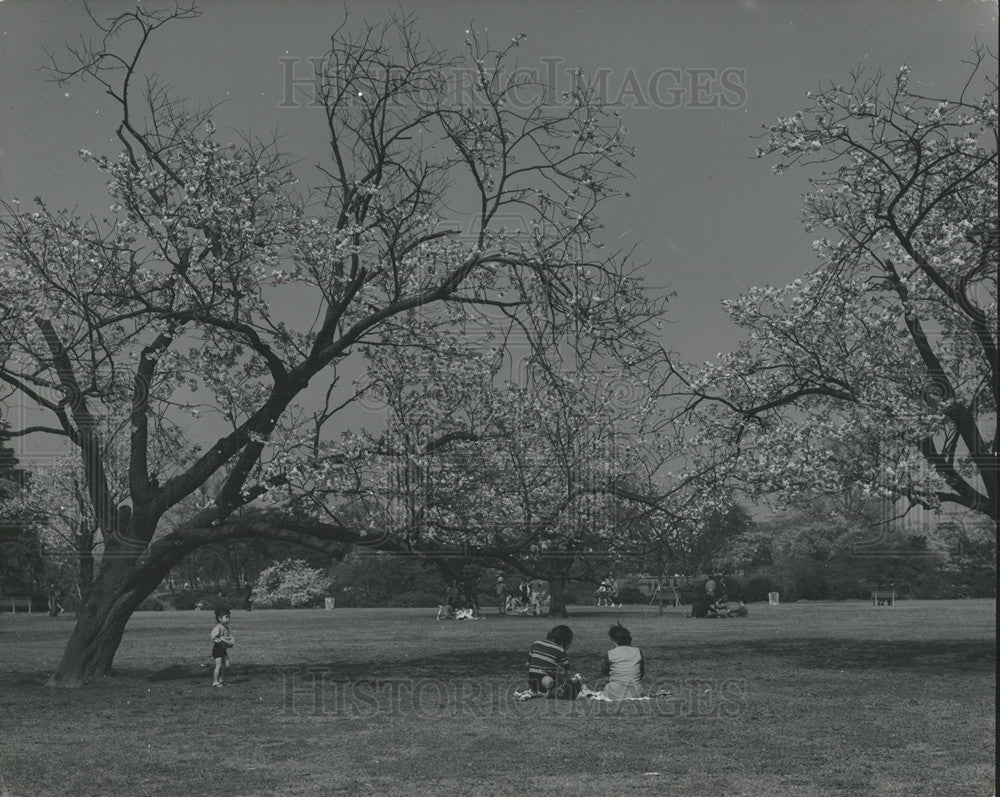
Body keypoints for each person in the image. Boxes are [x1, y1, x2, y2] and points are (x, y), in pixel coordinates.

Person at [527, 625, 581, 699]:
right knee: (562, 674)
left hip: (532, 680)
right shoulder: (560, 650)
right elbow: (568, 670)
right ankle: (553, 691)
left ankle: (537, 691)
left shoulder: (536, 643)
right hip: (546, 681)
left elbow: (527, 664)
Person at [597, 622, 644, 699]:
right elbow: (641, 673)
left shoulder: (611, 653)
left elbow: (604, 673)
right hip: (636, 693)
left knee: (606, 686)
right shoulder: (638, 651)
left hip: (614, 693)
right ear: (629, 639)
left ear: (613, 640)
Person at [210, 607, 234, 687]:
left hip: (223, 650)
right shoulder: (218, 628)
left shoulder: (226, 628)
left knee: (227, 665)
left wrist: (229, 643)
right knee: (219, 666)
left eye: (229, 617)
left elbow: (229, 637)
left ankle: (222, 679)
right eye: (226, 617)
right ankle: (215, 682)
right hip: (217, 649)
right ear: (220, 618)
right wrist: (221, 641)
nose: (228, 619)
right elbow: (214, 637)